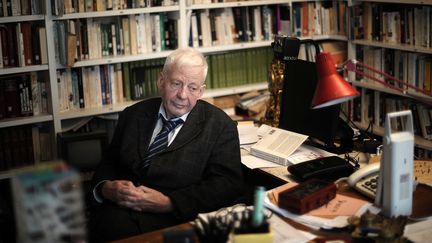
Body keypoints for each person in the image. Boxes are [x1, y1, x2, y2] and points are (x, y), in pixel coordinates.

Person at [88, 47, 244, 242]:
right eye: (176, 83)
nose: (182, 95)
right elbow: (109, 161)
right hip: (115, 215)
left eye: (192, 88)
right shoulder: (133, 114)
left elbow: (227, 185)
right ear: (161, 81)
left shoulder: (221, 126)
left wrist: (170, 203)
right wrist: (105, 188)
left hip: (174, 221)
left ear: (201, 91)